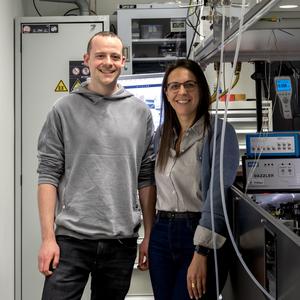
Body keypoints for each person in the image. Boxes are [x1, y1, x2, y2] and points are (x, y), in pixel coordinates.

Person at [37, 31, 156, 300]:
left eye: (115, 56)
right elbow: (48, 175)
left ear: (123, 61)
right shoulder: (63, 109)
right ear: (87, 59)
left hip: (121, 240)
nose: (108, 62)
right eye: (100, 55)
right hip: (71, 240)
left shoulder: (140, 112)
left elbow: (145, 179)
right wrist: (47, 238)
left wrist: (148, 235)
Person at [148, 59, 239, 300]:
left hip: (198, 232)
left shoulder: (220, 133)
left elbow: (218, 193)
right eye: (174, 86)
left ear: (201, 90)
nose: (182, 92)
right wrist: (148, 234)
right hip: (162, 233)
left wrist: (201, 251)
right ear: (166, 93)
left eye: (190, 84)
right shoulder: (162, 135)